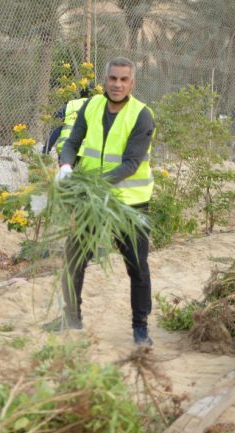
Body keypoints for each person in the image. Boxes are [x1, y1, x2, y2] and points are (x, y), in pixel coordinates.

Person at [50, 57, 155, 347]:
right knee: (74, 258)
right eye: (113, 78)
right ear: (104, 79)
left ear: (132, 83)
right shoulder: (92, 105)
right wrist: (66, 165)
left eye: (123, 80)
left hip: (128, 203)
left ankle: (140, 327)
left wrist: (97, 185)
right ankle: (71, 317)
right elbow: (72, 140)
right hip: (91, 200)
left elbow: (131, 163)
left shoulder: (141, 115)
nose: (117, 84)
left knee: (137, 265)